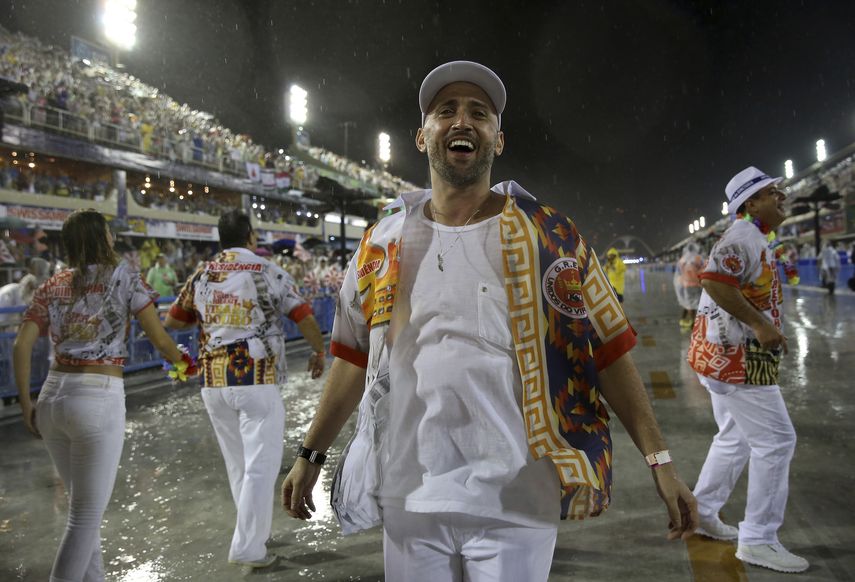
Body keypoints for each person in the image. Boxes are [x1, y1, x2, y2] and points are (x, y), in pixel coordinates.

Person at [281, 61, 696, 582]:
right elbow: (351, 357)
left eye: (479, 113)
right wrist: (309, 453)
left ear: (497, 140)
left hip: (517, 501)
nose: (462, 121)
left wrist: (661, 462)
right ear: (421, 135)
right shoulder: (380, 244)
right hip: (410, 498)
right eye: (445, 111)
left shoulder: (551, 237)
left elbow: (609, 351)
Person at [13, 209, 195, 582]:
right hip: (96, 398)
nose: (114, 239)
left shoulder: (53, 284)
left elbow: (21, 344)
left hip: (51, 398)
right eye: (110, 233)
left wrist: (24, 401)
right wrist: (186, 363)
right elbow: (159, 338)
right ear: (102, 238)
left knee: (84, 512)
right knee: (84, 516)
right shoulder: (124, 278)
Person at [164, 209, 326, 569]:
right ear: (251, 236)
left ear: (221, 239)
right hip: (256, 377)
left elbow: (173, 321)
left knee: (239, 465)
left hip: (213, 381)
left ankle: (253, 535)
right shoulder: (267, 269)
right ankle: (249, 547)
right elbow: (302, 315)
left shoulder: (202, 273)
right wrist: (318, 350)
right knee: (260, 466)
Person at [687, 166, 809, 573]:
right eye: (774, 192)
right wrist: (760, 324)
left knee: (735, 436)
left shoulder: (754, 236)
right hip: (738, 359)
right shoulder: (743, 235)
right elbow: (715, 282)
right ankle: (758, 538)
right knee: (776, 441)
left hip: (727, 356)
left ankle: (702, 512)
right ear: (751, 202)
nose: (782, 197)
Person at [674, 242, 705, 329]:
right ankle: (694, 323)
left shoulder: (682, 259)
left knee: (688, 303)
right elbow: (704, 269)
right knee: (695, 304)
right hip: (697, 284)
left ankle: (684, 319)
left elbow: (679, 273)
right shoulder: (698, 258)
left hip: (685, 285)